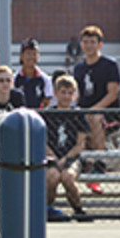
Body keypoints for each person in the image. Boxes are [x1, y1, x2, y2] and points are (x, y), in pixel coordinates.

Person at [72, 25, 120, 175]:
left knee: (94, 117)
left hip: (108, 113)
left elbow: (112, 94)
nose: (89, 45)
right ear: (81, 45)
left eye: (92, 42)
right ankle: (80, 162)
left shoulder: (110, 65)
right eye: (85, 42)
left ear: (99, 45)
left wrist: (93, 110)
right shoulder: (79, 68)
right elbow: (77, 95)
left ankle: (101, 162)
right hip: (86, 112)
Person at [42, 75, 90, 222]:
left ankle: (78, 209)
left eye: (70, 93)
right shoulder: (47, 114)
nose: (67, 96)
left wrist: (65, 159)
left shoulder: (78, 114)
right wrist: (55, 158)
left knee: (67, 177)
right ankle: (47, 209)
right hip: (51, 157)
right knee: (52, 176)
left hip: (71, 157)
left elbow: (80, 144)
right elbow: (43, 141)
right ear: (56, 93)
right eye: (63, 92)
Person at [13, 38, 54, 109]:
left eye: (34, 54)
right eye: (28, 53)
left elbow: (47, 101)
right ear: (21, 56)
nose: (31, 57)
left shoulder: (45, 79)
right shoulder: (15, 78)